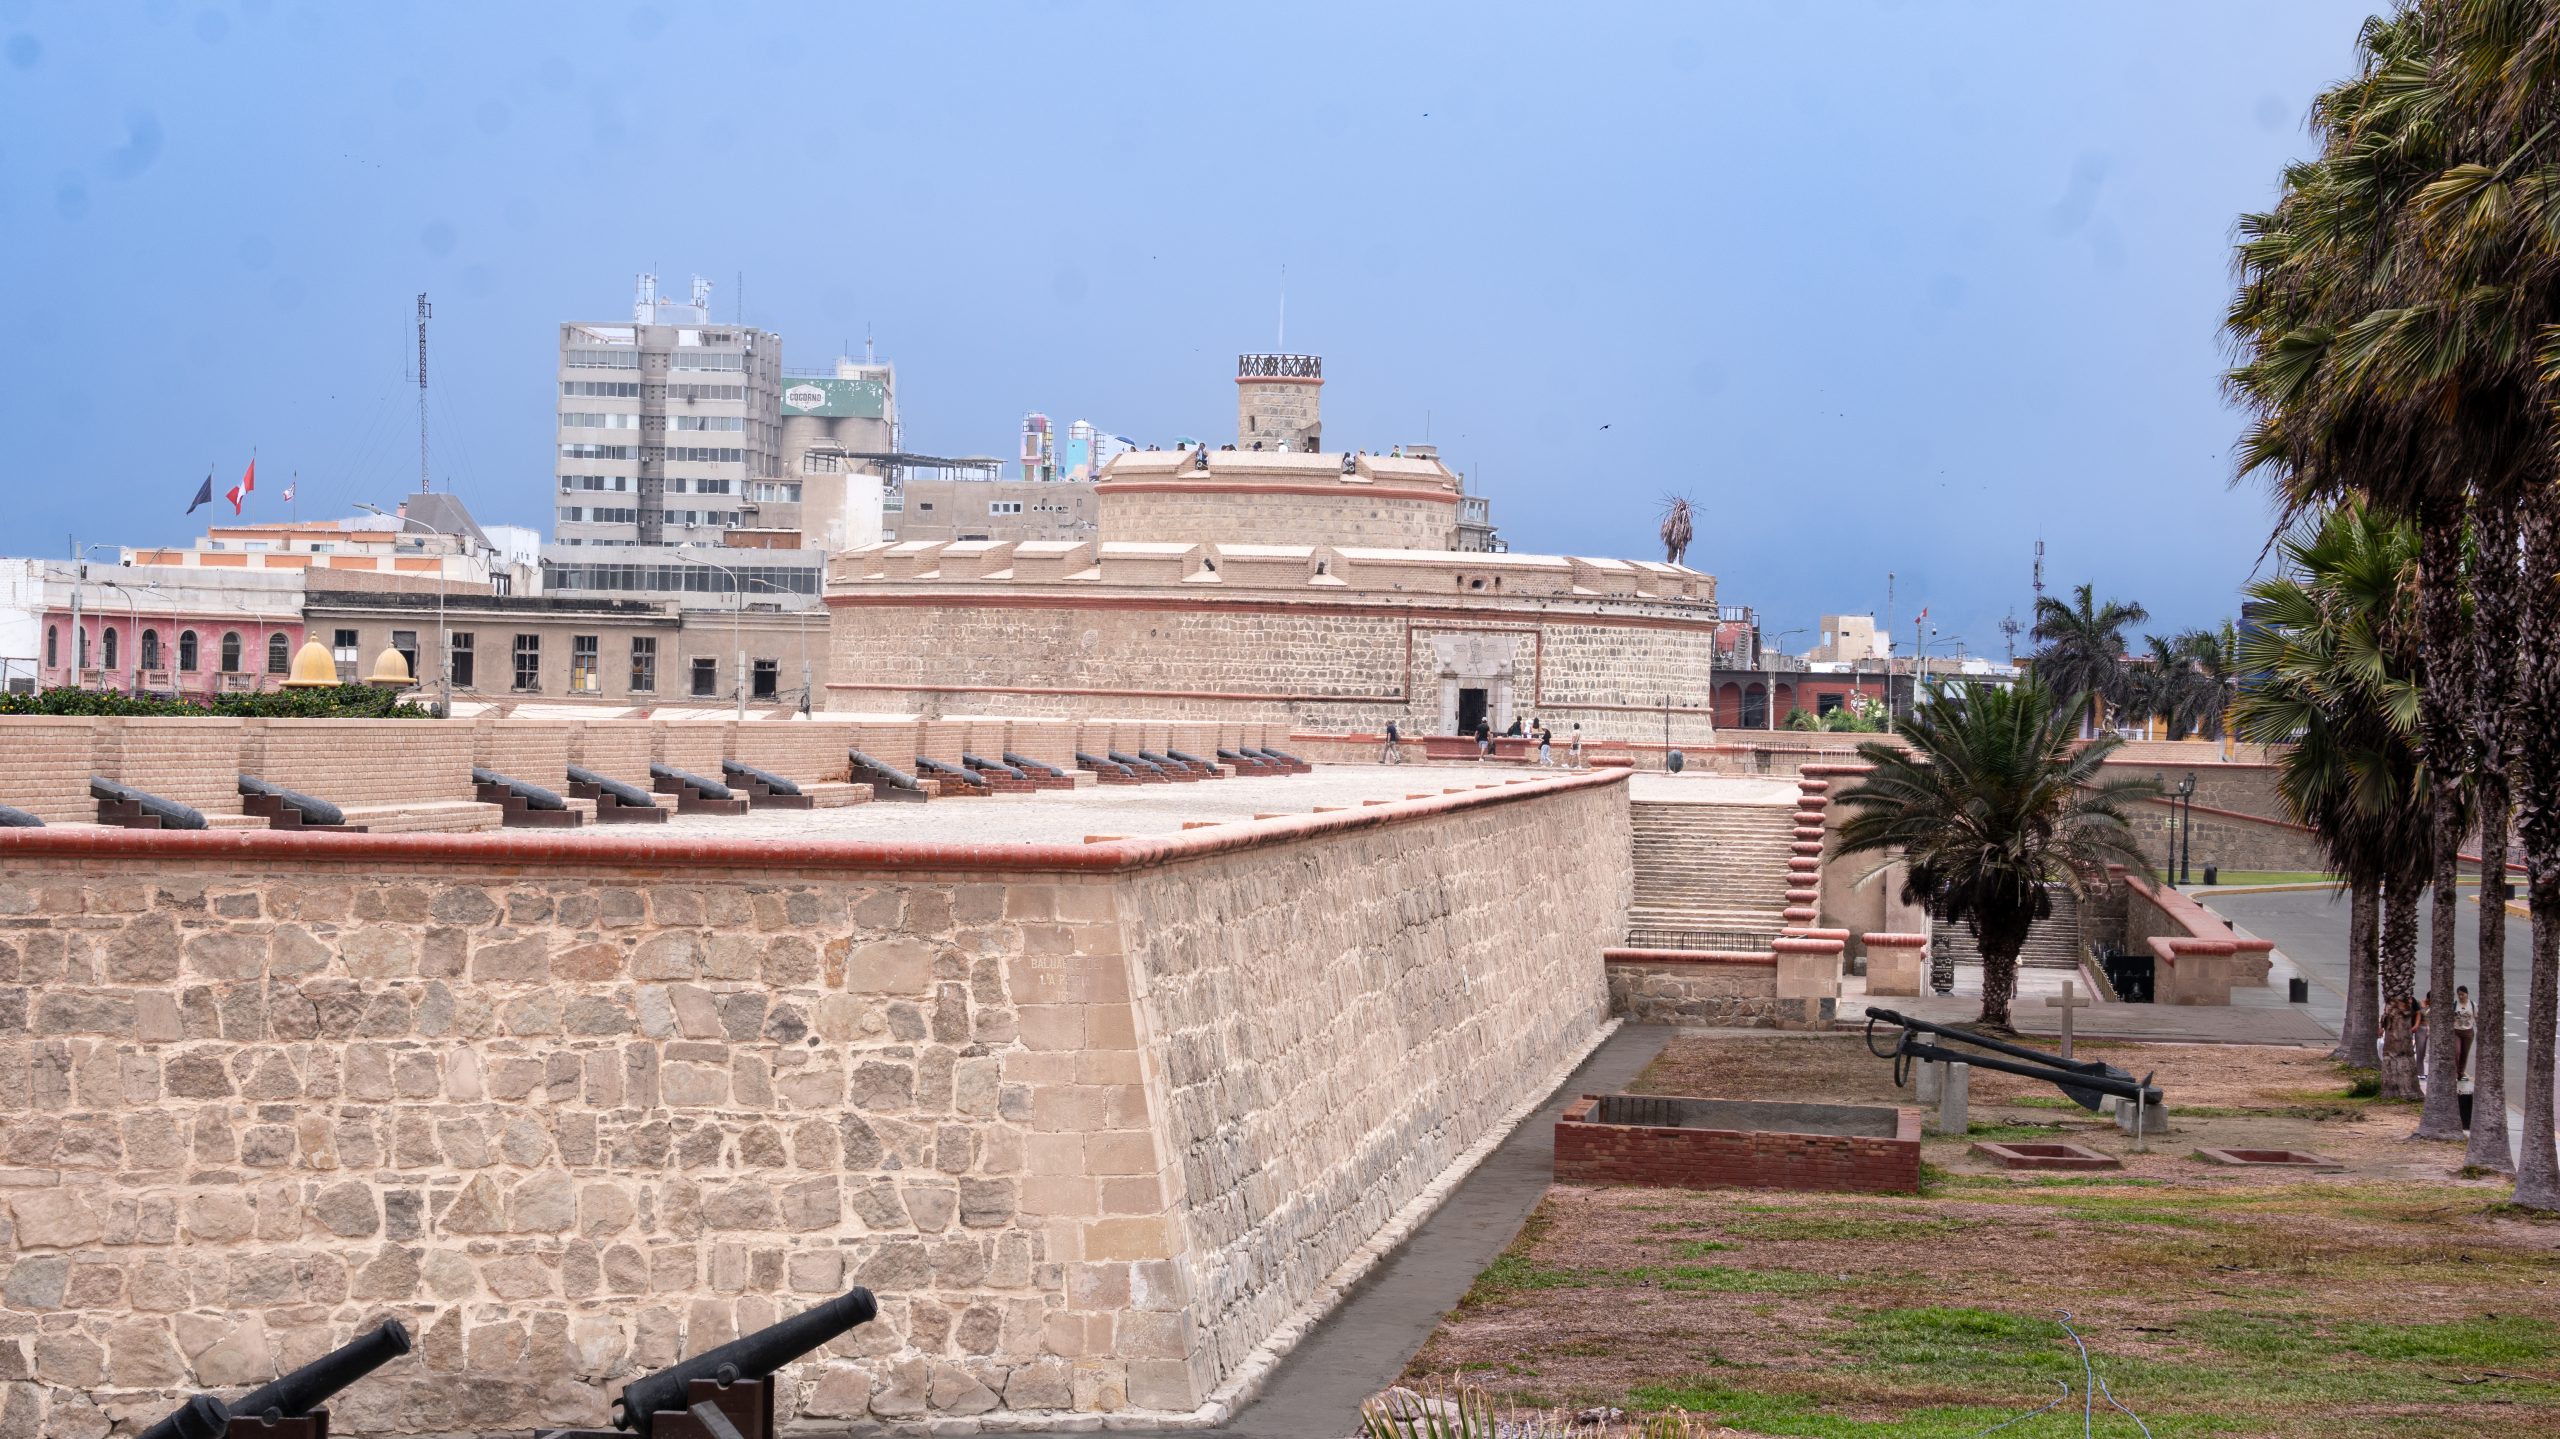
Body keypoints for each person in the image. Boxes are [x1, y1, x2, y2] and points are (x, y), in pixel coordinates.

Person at [2454, 984, 2475, 1082]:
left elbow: (2477, 1017)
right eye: (2459, 995)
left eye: (2462, 994)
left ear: (2467, 994)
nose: (2461, 996)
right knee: (2456, 1052)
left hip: (2468, 1032)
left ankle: (2460, 1073)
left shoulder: (2472, 1005)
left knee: (2464, 1053)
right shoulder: (2455, 1004)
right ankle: (2456, 1070)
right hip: (2456, 1031)